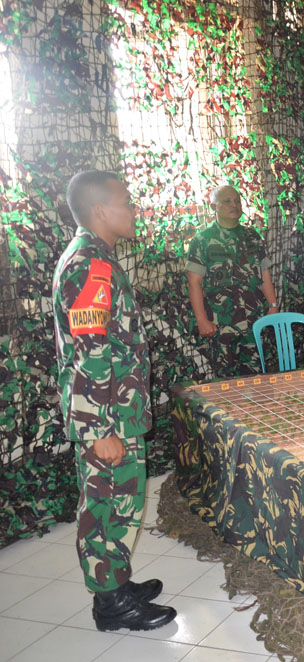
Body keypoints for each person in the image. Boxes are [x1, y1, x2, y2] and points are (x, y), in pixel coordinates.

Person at [53, 171, 176, 631]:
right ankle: (111, 604)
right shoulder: (90, 265)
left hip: (114, 409)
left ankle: (116, 581)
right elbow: (90, 353)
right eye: (126, 201)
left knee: (120, 503)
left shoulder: (95, 257)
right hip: (107, 415)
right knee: (106, 505)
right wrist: (101, 428)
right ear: (101, 210)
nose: (133, 208)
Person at [185, 185, 278, 378]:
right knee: (225, 386)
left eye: (237, 200)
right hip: (221, 326)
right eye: (227, 201)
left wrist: (273, 305)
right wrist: (202, 320)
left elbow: (264, 274)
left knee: (261, 381)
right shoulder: (202, 241)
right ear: (213, 207)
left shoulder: (252, 236)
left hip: (254, 322)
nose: (234, 205)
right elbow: (194, 283)